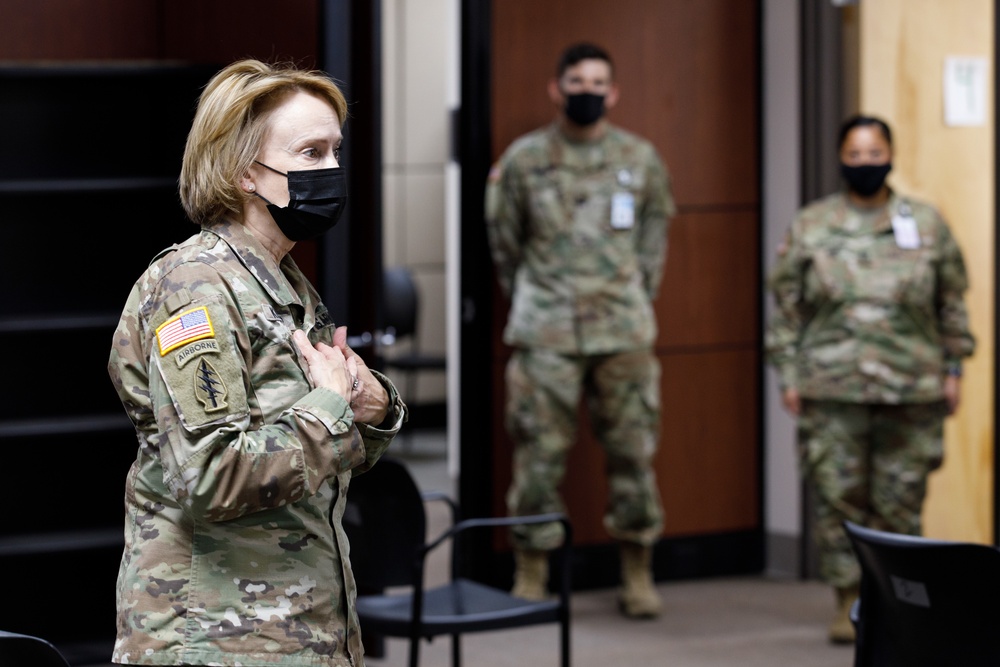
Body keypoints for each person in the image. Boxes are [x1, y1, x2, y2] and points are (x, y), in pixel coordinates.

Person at [107, 59, 407, 666]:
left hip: (298, 625)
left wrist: (372, 409)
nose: (332, 170)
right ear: (247, 171)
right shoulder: (195, 287)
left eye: (335, 151)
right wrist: (328, 406)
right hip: (212, 637)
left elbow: (312, 457)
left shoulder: (284, 282)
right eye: (310, 152)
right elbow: (213, 476)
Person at [765, 114, 975, 644]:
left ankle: (901, 606)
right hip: (831, 387)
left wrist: (954, 368)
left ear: (891, 155)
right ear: (840, 158)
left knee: (900, 501)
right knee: (838, 497)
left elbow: (951, 301)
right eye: (855, 155)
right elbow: (786, 310)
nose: (866, 163)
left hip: (912, 387)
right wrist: (789, 373)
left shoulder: (924, 222)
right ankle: (846, 601)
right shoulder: (812, 225)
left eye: (874, 152)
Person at [484, 42, 675, 619]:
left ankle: (637, 571)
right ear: (557, 87)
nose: (587, 91)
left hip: (624, 332)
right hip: (546, 333)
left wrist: (629, 296)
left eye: (598, 82)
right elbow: (504, 243)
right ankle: (532, 569)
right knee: (538, 458)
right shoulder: (523, 160)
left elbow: (653, 244)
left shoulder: (640, 160)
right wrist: (538, 299)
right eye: (577, 81)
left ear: (613, 93)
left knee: (633, 455)